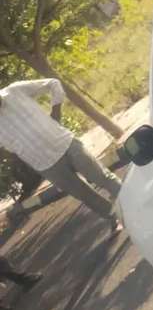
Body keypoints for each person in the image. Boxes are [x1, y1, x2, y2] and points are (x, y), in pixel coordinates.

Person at [0, 79, 121, 234]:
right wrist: (19, 151)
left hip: (64, 143)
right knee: (84, 194)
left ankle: (134, 202)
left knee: (102, 176)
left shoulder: (15, 91)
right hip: (45, 164)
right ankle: (114, 217)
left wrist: (56, 112)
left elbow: (53, 83)